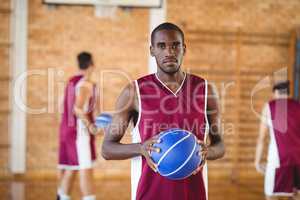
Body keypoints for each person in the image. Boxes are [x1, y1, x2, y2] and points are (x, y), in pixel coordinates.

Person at [101, 22, 225, 200]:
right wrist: (141, 148)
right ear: (152, 50)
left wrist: (208, 151)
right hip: (149, 193)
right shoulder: (134, 91)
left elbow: (220, 145)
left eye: (175, 45)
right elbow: (107, 149)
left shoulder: (205, 90)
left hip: (193, 193)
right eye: (162, 46)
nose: (169, 52)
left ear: (184, 48)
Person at [57, 52, 100, 200]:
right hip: (78, 133)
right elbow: (77, 108)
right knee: (85, 168)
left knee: (72, 167)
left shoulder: (71, 82)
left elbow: (61, 106)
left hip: (66, 130)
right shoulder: (86, 84)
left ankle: (62, 196)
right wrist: (91, 126)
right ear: (91, 64)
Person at [255, 81, 300, 200]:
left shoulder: (270, 106)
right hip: (298, 159)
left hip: (278, 161)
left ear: (275, 93)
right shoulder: (298, 105)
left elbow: (261, 138)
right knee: (295, 195)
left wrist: (257, 162)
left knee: (271, 195)